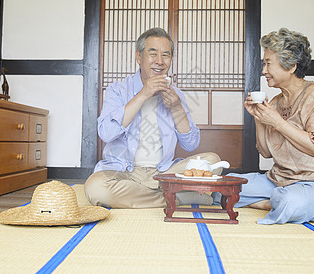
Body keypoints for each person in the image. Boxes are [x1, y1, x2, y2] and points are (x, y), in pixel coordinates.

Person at [213, 28, 314, 224]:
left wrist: (278, 123)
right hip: (281, 180)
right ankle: (275, 200)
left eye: (268, 64)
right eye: (264, 64)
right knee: (220, 188)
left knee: (292, 201)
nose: (264, 71)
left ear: (291, 67)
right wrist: (259, 117)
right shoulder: (274, 103)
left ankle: (268, 203)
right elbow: (265, 152)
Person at [84, 28, 222, 208]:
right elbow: (106, 134)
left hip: (163, 173)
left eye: (166, 55)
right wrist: (142, 95)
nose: (159, 61)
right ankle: (181, 198)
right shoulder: (117, 90)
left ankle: (151, 194)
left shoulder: (176, 94)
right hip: (123, 172)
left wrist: (176, 107)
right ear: (138, 57)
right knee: (97, 189)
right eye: (152, 53)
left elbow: (191, 144)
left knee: (213, 161)